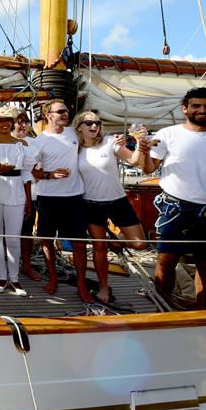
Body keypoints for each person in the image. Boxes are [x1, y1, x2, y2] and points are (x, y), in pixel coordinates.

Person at [140, 87, 206, 309]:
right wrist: (143, 153)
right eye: (196, 106)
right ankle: (162, 308)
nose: (202, 110)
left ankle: (201, 310)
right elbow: (149, 168)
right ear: (185, 109)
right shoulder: (166, 135)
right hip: (176, 208)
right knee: (165, 260)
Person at [75, 110, 147, 304]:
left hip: (117, 201)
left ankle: (116, 242)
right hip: (90, 204)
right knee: (99, 246)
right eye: (88, 123)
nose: (94, 126)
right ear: (79, 127)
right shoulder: (74, 150)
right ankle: (103, 286)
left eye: (97, 123)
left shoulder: (110, 142)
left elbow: (134, 160)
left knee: (140, 244)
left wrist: (139, 142)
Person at [29, 99, 89, 301]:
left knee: (79, 244)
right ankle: (53, 277)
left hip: (74, 197)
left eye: (67, 110)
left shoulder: (75, 133)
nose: (66, 113)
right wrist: (49, 175)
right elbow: (31, 172)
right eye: (60, 111)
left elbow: (95, 136)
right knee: (47, 240)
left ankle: (81, 284)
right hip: (48, 198)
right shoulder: (38, 142)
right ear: (48, 115)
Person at [0, 106, 34, 297]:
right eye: (0, 120)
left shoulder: (22, 145)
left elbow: (26, 173)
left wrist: (28, 199)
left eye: (7, 120)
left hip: (16, 191)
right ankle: (2, 276)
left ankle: (15, 278)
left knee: (13, 239)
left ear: (12, 123)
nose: (4, 124)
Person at [14, 111, 40, 281]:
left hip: (28, 193)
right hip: (4, 193)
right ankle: (5, 266)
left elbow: (37, 171)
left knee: (26, 232)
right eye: (19, 122)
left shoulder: (33, 145)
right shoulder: (1, 142)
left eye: (26, 122)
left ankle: (27, 266)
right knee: (4, 233)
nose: (23, 125)